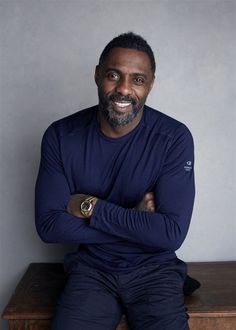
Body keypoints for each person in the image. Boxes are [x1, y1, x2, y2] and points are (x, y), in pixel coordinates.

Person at [35, 32, 195, 330]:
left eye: (137, 79)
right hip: (92, 269)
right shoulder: (60, 136)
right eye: (113, 75)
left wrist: (90, 207)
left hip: (156, 270)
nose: (124, 89)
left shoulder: (174, 138)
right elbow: (49, 226)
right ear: (97, 75)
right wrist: (137, 223)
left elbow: (171, 233)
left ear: (150, 85)